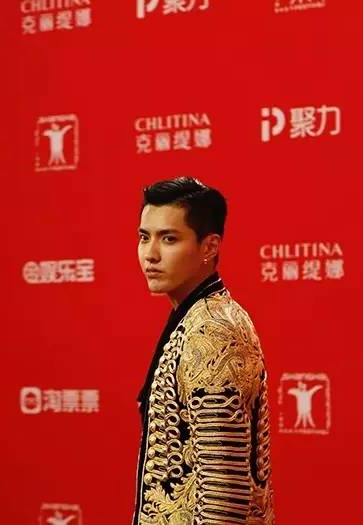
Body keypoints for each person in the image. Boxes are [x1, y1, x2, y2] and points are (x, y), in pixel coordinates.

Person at [133, 177, 274, 524]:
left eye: (169, 239)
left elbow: (223, 494)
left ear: (209, 246)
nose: (150, 254)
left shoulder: (213, 330)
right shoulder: (199, 316)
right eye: (144, 237)